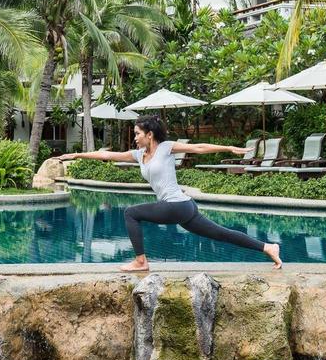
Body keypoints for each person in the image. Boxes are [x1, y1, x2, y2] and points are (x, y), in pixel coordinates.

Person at [57, 115, 283, 272]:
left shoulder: (166, 148)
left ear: (150, 134)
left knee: (131, 213)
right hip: (184, 208)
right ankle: (268, 247)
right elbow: (108, 155)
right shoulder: (139, 155)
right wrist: (77, 155)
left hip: (177, 205)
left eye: (137, 134)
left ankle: (140, 261)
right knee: (220, 233)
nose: (135, 137)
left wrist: (228, 149)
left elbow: (199, 148)